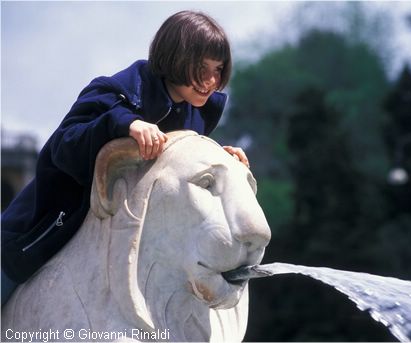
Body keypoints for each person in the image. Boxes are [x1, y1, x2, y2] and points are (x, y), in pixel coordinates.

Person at [1, 10, 249, 306]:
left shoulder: (196, 115)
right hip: (36, 234)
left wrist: (218, 159)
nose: (211, 80)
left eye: (218, 69)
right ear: (175, 57)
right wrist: (123, 123)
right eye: (202, 67)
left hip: (112, 252)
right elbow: (63, 148)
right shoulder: (118, 91)